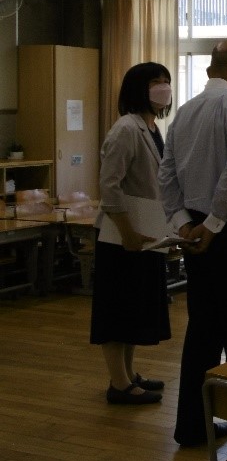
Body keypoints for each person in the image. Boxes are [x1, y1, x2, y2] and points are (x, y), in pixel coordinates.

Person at [158, 39, 227, 448]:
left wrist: (186, 224)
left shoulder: (183, 113)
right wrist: (216, 224)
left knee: (202, 329)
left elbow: (165, 175)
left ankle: (192, 426)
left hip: (196, 231)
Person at [90, 62, 173, 405]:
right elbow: (110, 186)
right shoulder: (126, 128)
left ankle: (128, 374)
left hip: (145, 233)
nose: (163, 88)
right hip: (122, 236)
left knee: (134, 308)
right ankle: (118, 384)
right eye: (156, 82)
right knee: (117, 308)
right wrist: (127, 232)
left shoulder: (151, 127)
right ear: (139, 88)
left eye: (166, 82)